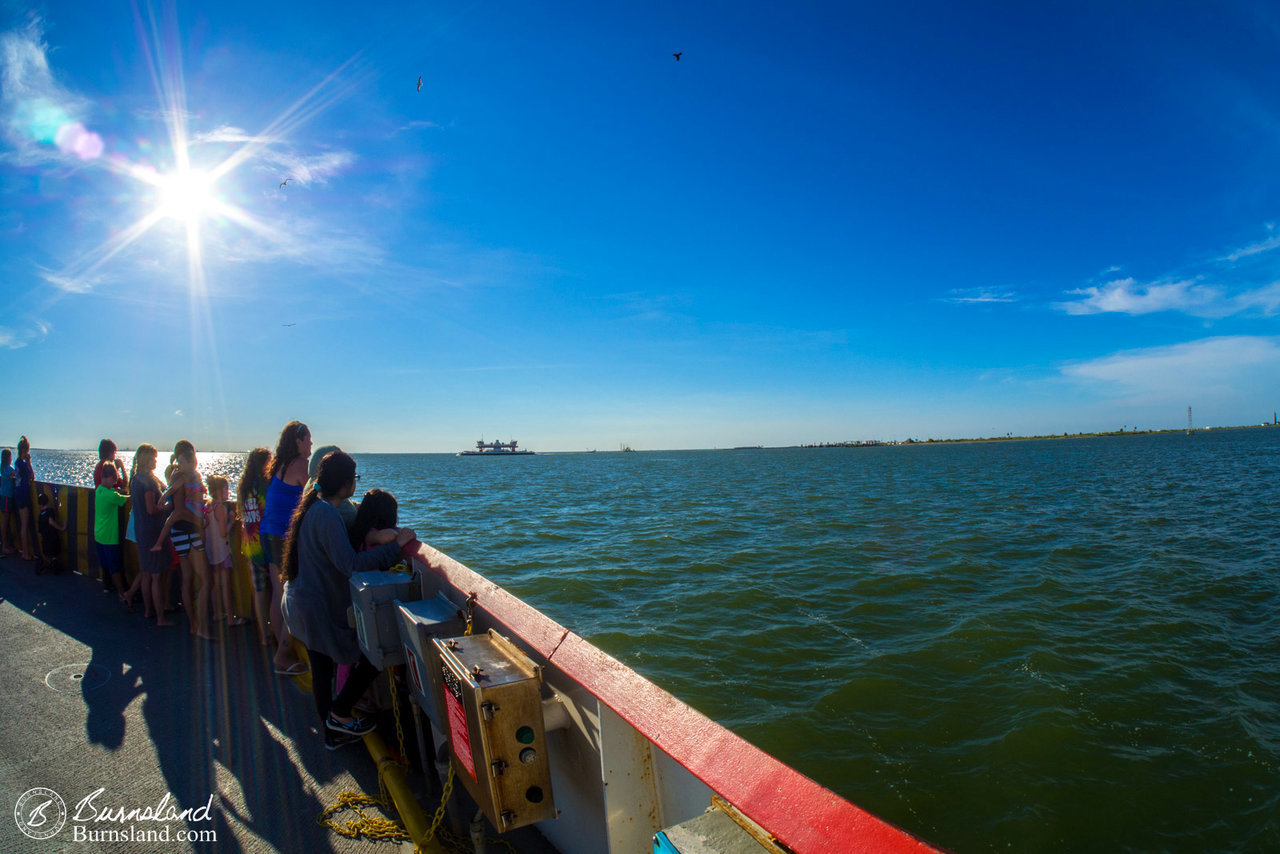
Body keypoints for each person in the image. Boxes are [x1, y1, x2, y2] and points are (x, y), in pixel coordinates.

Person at [281, 450, 416, 749]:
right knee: (371, 656)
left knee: (321, 670)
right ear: (346, 485)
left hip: (301, 603)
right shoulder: (328, 514)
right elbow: (351, 565)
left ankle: (332, 732)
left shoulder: (313, 506)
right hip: (317, 609)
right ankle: (340, 714)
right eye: (354, 479)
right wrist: (397, 546)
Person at [260, 421, 312, 675]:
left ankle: (277, 646)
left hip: (267, 533)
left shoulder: (278, 467)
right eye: (308, 439)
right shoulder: (302, 466)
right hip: (283, 537)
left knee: (277, 593)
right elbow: (315, 499)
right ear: (298, 441)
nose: (311, 444)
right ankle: (282, 655)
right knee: (292, 596)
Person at [163, 441, 214, 639]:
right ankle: (199, 625)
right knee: (206, 579)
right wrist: (199, 523)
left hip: (181, 531)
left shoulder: (183, 475)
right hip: (187, 531)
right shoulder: (181, 476)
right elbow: (180, 510)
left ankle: (194, 624)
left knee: (187, 578)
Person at [127, 444, 174, 626]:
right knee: (155, 575)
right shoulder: (147, 481)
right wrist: (167, 507)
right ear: (148, 459)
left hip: (141, 530)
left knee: (146, 573)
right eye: (154, 457)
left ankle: (148, 611)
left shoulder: (136, 479)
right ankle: (161, 618)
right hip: (152, 531)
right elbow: (151, 509)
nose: (156, 460)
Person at [236, 448, 272, 645]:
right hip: (265, 544)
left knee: (259, 590)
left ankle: (263, 633)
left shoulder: (245, 487)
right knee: (274, 588)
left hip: (250, 544)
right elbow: (269, 510)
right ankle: (274, 631)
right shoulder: (263, 485)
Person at [204, 475, 245, 627]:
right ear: (220, 491)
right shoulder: (220, 508)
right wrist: (232, 521)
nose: (228, 491)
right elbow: (223, 533)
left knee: (216, 584)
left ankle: (216, 612)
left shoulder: (208, 507)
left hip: (211, 551)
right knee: (225, 584)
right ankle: (230, 618)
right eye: (226, 488)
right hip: (221, 550)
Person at [94, 464, 131, 601]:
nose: (114, 484)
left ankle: (107, 587)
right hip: (110, 537)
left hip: (99, 534)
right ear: (109, 478)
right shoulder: (111, 495)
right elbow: (127, 498)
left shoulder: (99, 490)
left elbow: (113, 491)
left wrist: (116, 489)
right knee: (115, 567)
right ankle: (122, 594)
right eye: (113, 481)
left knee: (106, 565)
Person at [14, 437, 36, 561]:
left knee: (23, 524)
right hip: (23, 494)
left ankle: (25, 552)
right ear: (25, 450)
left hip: (18, 493)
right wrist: (29, 462)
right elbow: (31, 476)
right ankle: (25, 553)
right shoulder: (22, 464)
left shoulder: (16, 462)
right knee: (24, 525)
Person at [37, 491, 65, 574]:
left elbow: (40, 532)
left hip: (45, 540)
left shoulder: (40, 515)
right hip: (53, 538)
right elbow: (51, 521)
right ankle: (54, 564)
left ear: (39, 504)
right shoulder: (50, 511)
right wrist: (62, 528)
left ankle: (46, 563)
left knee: (48, 553)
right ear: (48, 502)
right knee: (55, 555)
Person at [0, 448, 15, 556]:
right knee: (5, 522)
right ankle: (4, 546)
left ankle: (4, 544)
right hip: (6, 497)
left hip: (3, 496)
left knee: (5, 521)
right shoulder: (8, 468)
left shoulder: (2, 468)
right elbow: (15, 474)